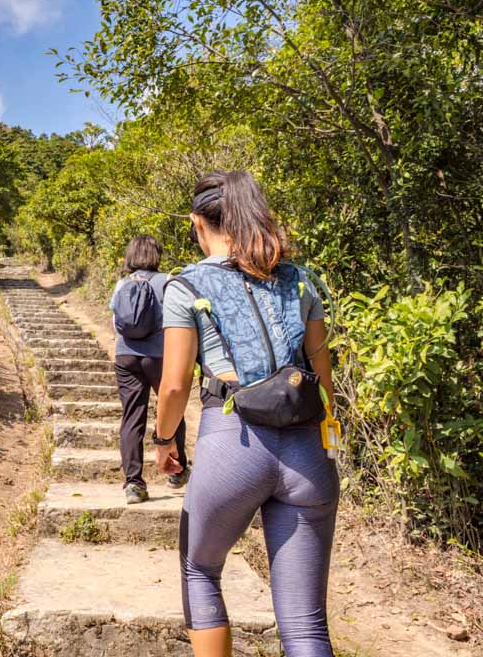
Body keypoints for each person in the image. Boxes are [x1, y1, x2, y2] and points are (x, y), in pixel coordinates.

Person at [152, 171, 339, 657]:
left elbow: (174, 385)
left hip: (232, 445)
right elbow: (323, 377)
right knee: (305, 627)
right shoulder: (301, 281)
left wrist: (163, 441)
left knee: (200, 570)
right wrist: (326, 441)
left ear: (198, 223)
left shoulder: (186, 285)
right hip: (308, 453)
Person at [109, 234, 189, 504]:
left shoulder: (122, 284)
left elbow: (115, 322)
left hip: (126, 356)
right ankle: (177, 471)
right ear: (156, 255)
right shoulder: (167, 281)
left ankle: (133, 484)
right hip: (159, 355)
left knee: (132, 418)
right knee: (173, 409)